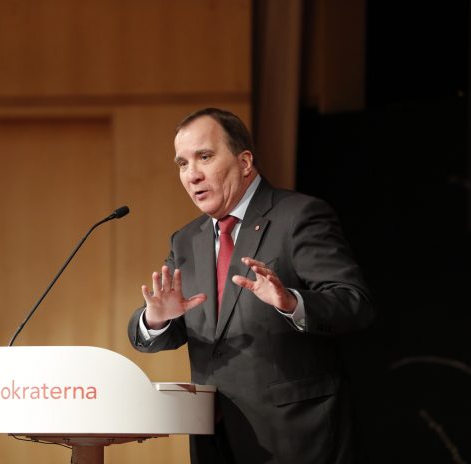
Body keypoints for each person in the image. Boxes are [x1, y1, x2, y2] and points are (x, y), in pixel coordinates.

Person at [128, 108, 374, 463]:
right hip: (214, 435)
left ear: (244, 162)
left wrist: (291, 303)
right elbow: (170, 327)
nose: (192, 174)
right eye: (182, 163)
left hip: (295, 434)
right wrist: (157, 319)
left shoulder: (298, 216)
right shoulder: (186, 240)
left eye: (204, 157)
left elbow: (354, 303)